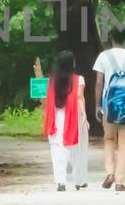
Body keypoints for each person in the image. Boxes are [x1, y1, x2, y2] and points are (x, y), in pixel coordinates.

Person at [92, 28, 125, 191]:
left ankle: (109, 173)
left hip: (109, 105)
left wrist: (98, 106)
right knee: (124, 143)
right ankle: (120, 181)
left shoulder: (103, 56)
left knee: (109, 139)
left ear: (111, 38)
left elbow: (99, 83)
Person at [38, 51, 88, 191]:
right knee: (74, 149)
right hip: (72, 117)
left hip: (55, 116)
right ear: (72, 64)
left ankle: (61, 181)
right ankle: (78, 180)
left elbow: (47, 100)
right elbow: (79, 97)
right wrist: (84, 115)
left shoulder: (51, 80)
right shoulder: (79, 79)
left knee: (56, 148)